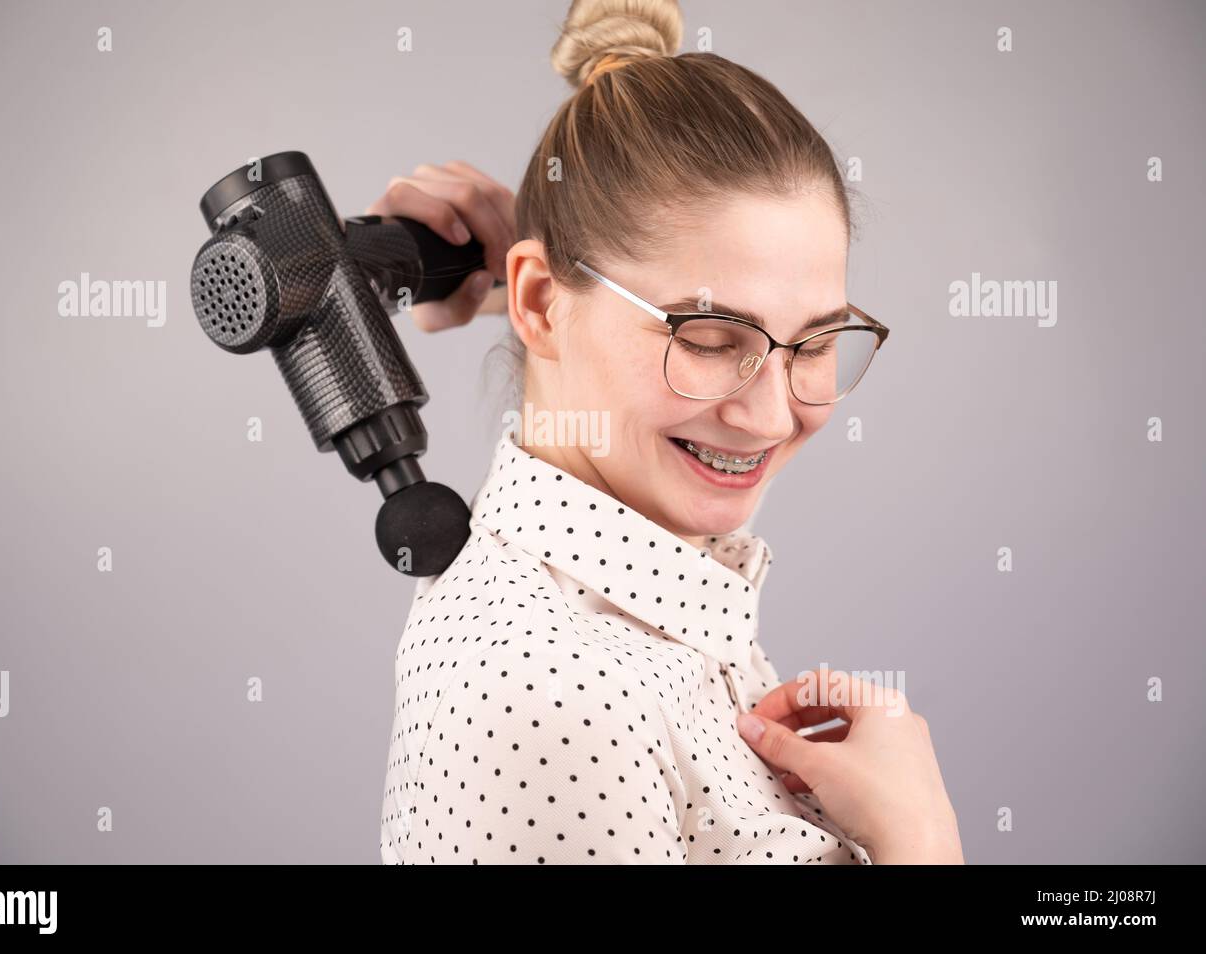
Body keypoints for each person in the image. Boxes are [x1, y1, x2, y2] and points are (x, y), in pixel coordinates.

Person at [375, 0, 963, 864]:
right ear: (538, 300)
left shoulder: (657, 608)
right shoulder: (547, 695)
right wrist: (920, 841)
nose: (769, 416)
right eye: (711, 339)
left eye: (816, 344)